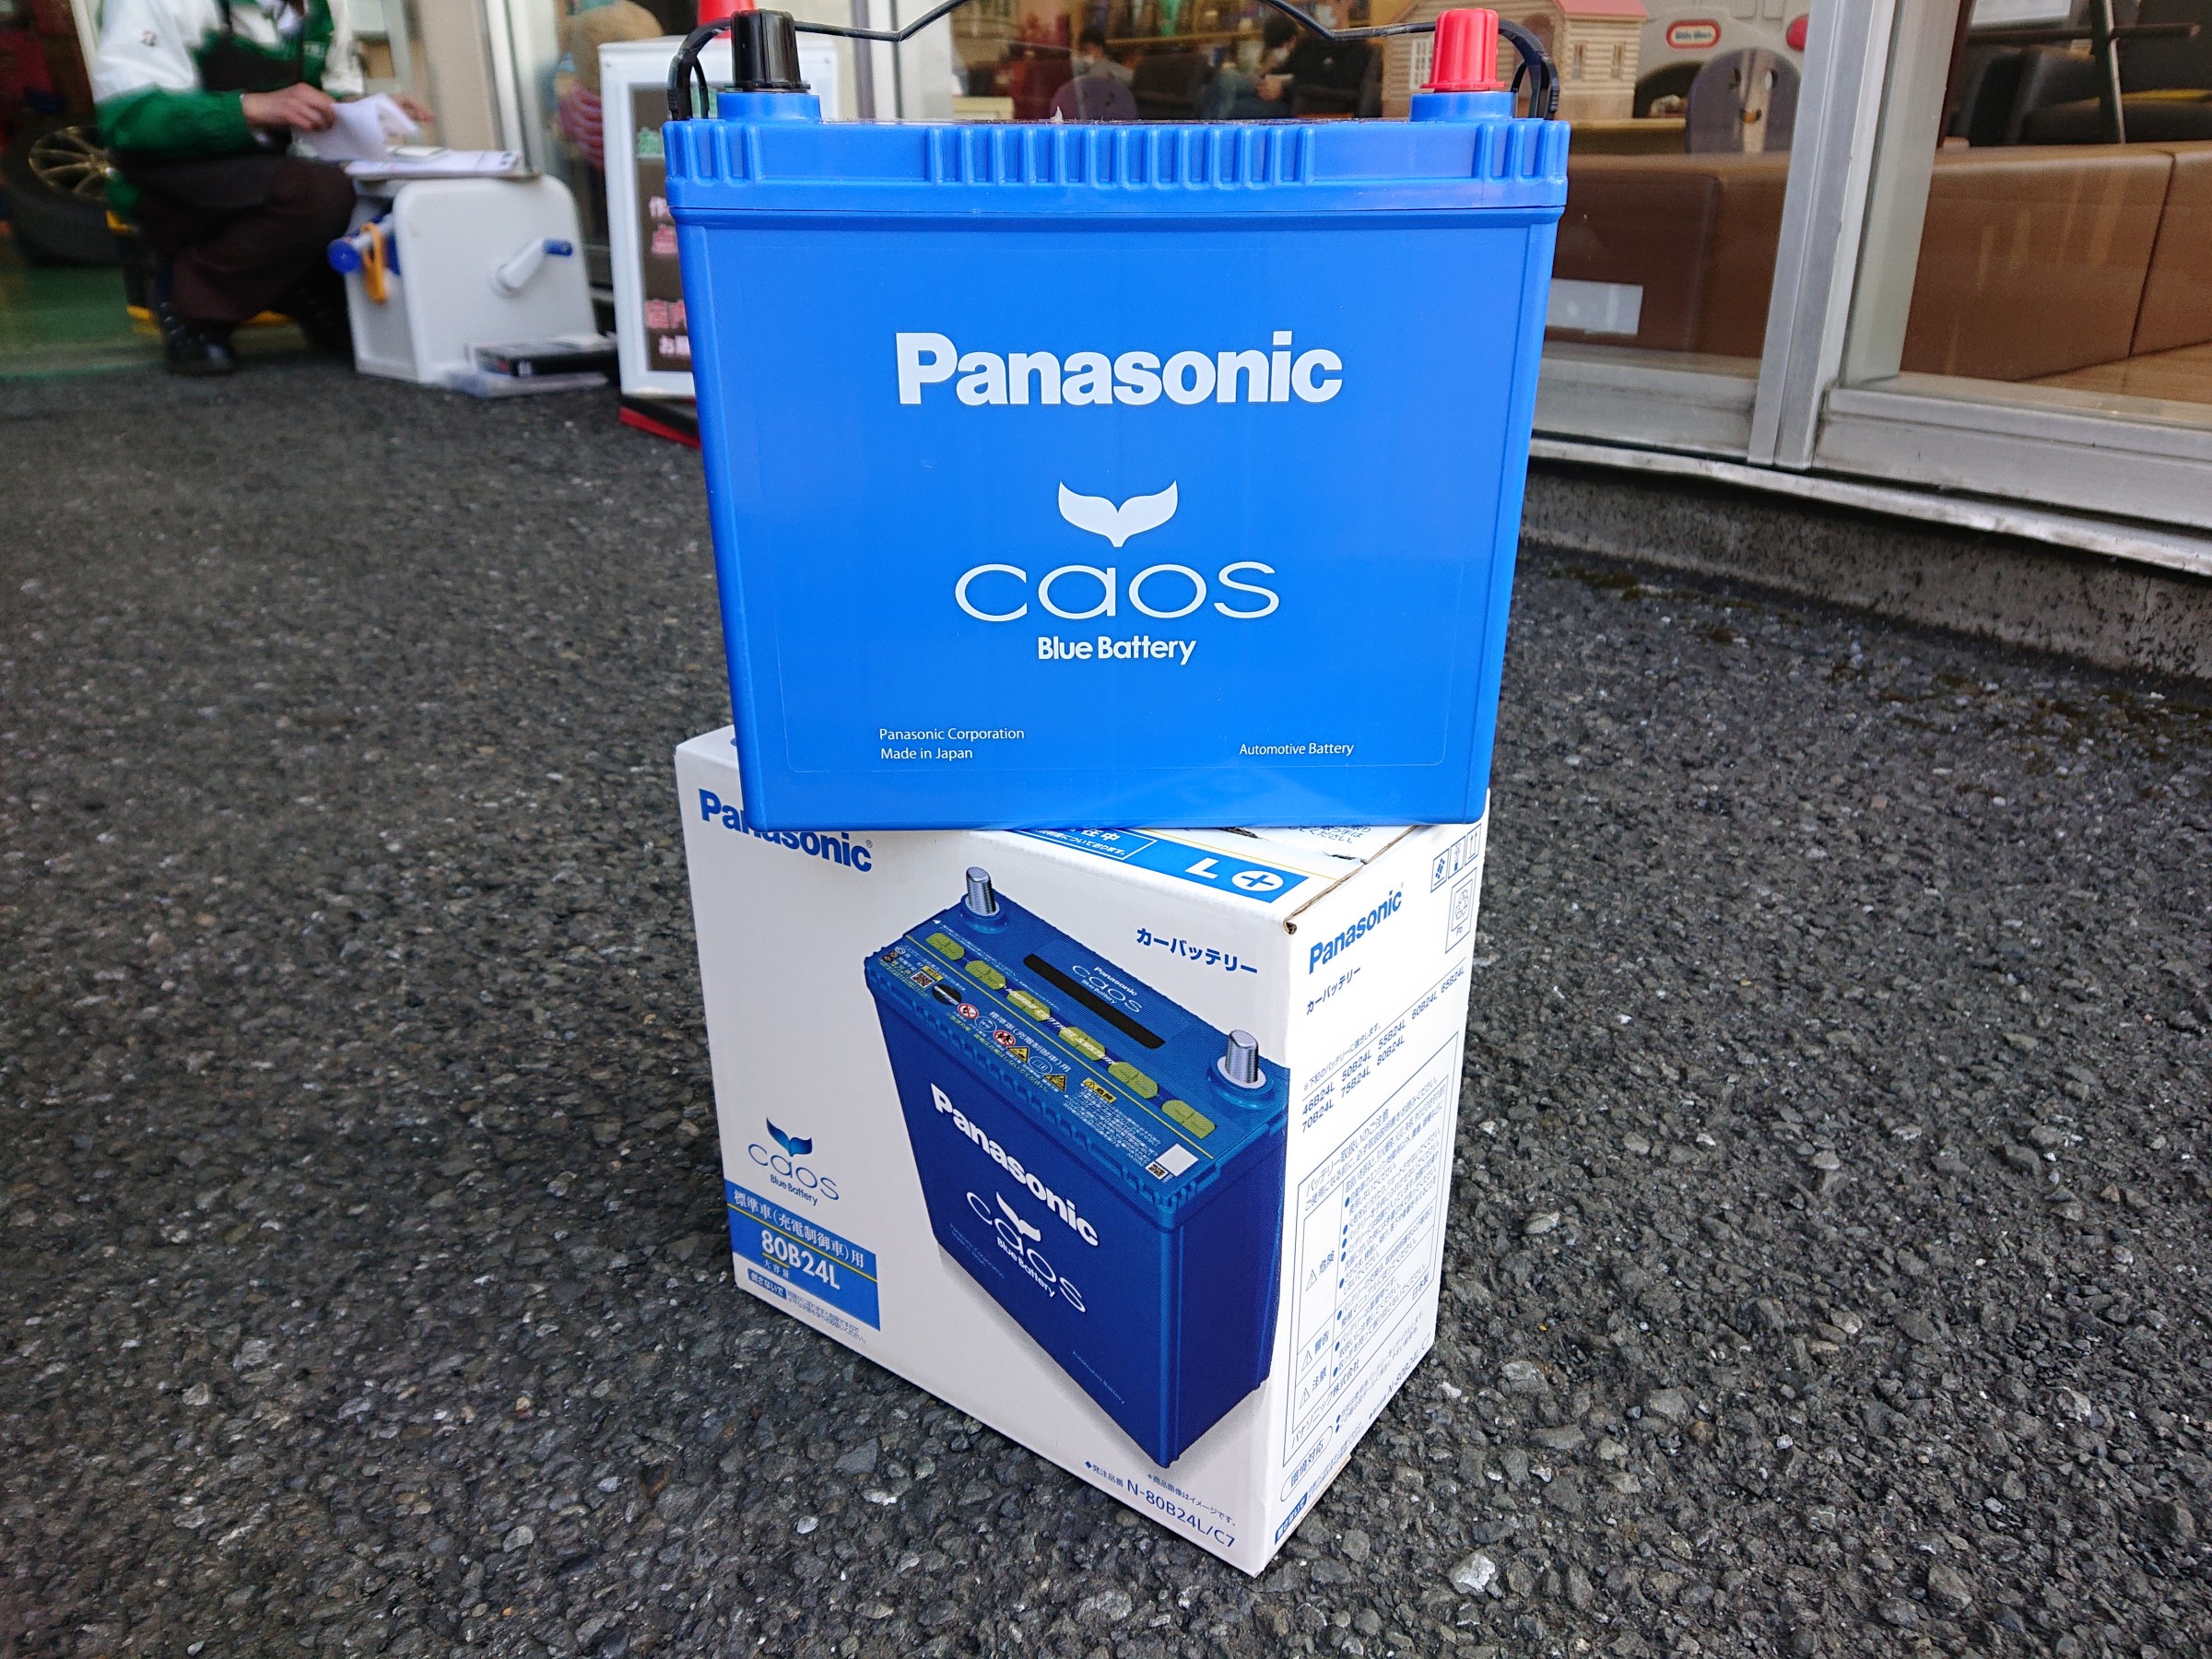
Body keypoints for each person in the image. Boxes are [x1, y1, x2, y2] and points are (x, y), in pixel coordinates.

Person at [92, 0, 430, 375]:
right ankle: (190, 305)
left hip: (268, 166)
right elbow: (129, 120)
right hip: (169, 179)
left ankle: (297, 284)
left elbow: (334, 88)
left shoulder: (326, 7)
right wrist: (249, 109)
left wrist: (363, 112)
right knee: (317, 193)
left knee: (382, 184)